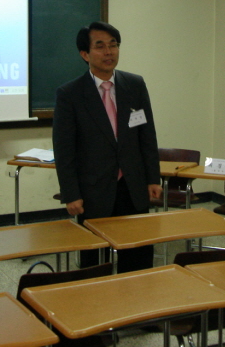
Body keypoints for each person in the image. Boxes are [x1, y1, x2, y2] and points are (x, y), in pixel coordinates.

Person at [53, 21, 162, 273]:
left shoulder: (134, 85)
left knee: (138, 259)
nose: (108, 52)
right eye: (100, 46)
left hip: (132, 186)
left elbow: (147, 135)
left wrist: (152, 178)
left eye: (113, 45)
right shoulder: (70, 94)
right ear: (85, 54)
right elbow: (64, 149)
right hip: (93, 191)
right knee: (95, 263)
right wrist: (70, 193)